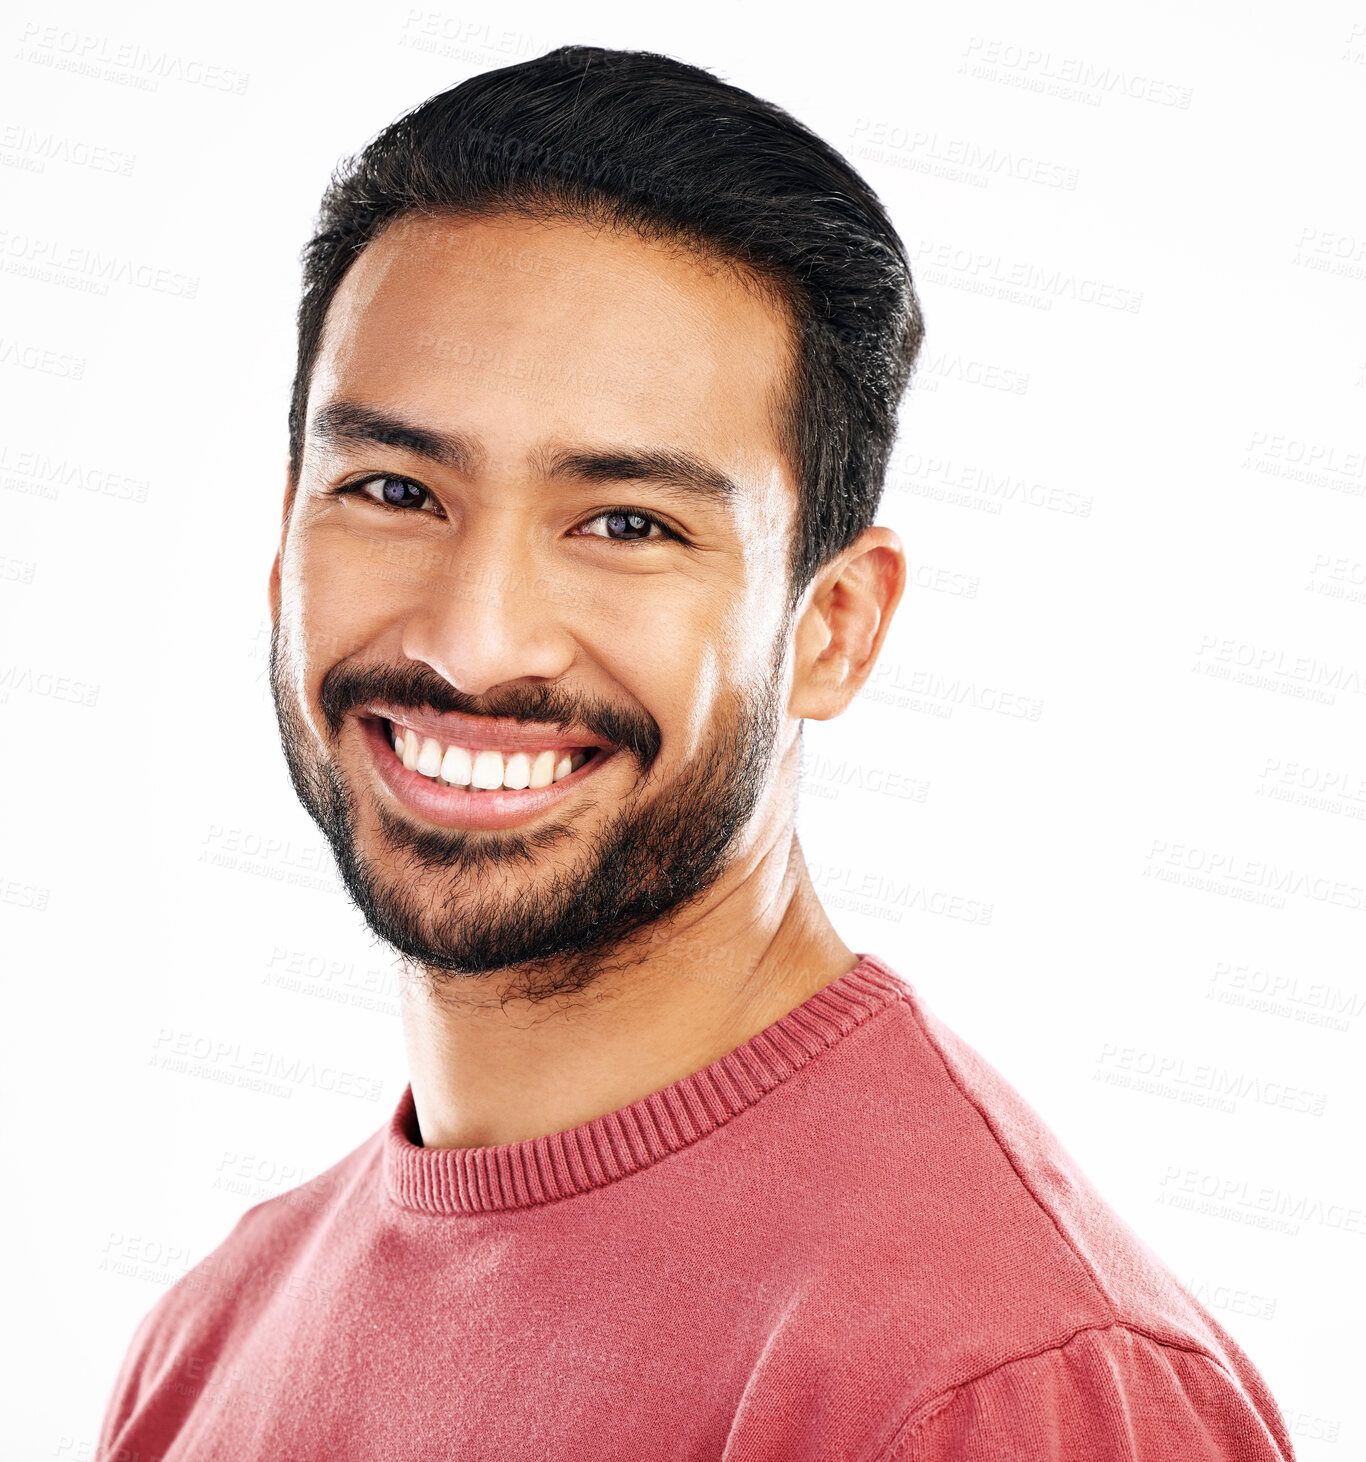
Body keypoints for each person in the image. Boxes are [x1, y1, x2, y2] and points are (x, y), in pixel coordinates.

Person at [96, 45, 1294, 1461]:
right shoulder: (207, 1338)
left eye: (625, 522)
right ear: (285, 533)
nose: (476, 641)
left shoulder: (995, 1379)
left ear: (835, 627)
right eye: (395, 490)